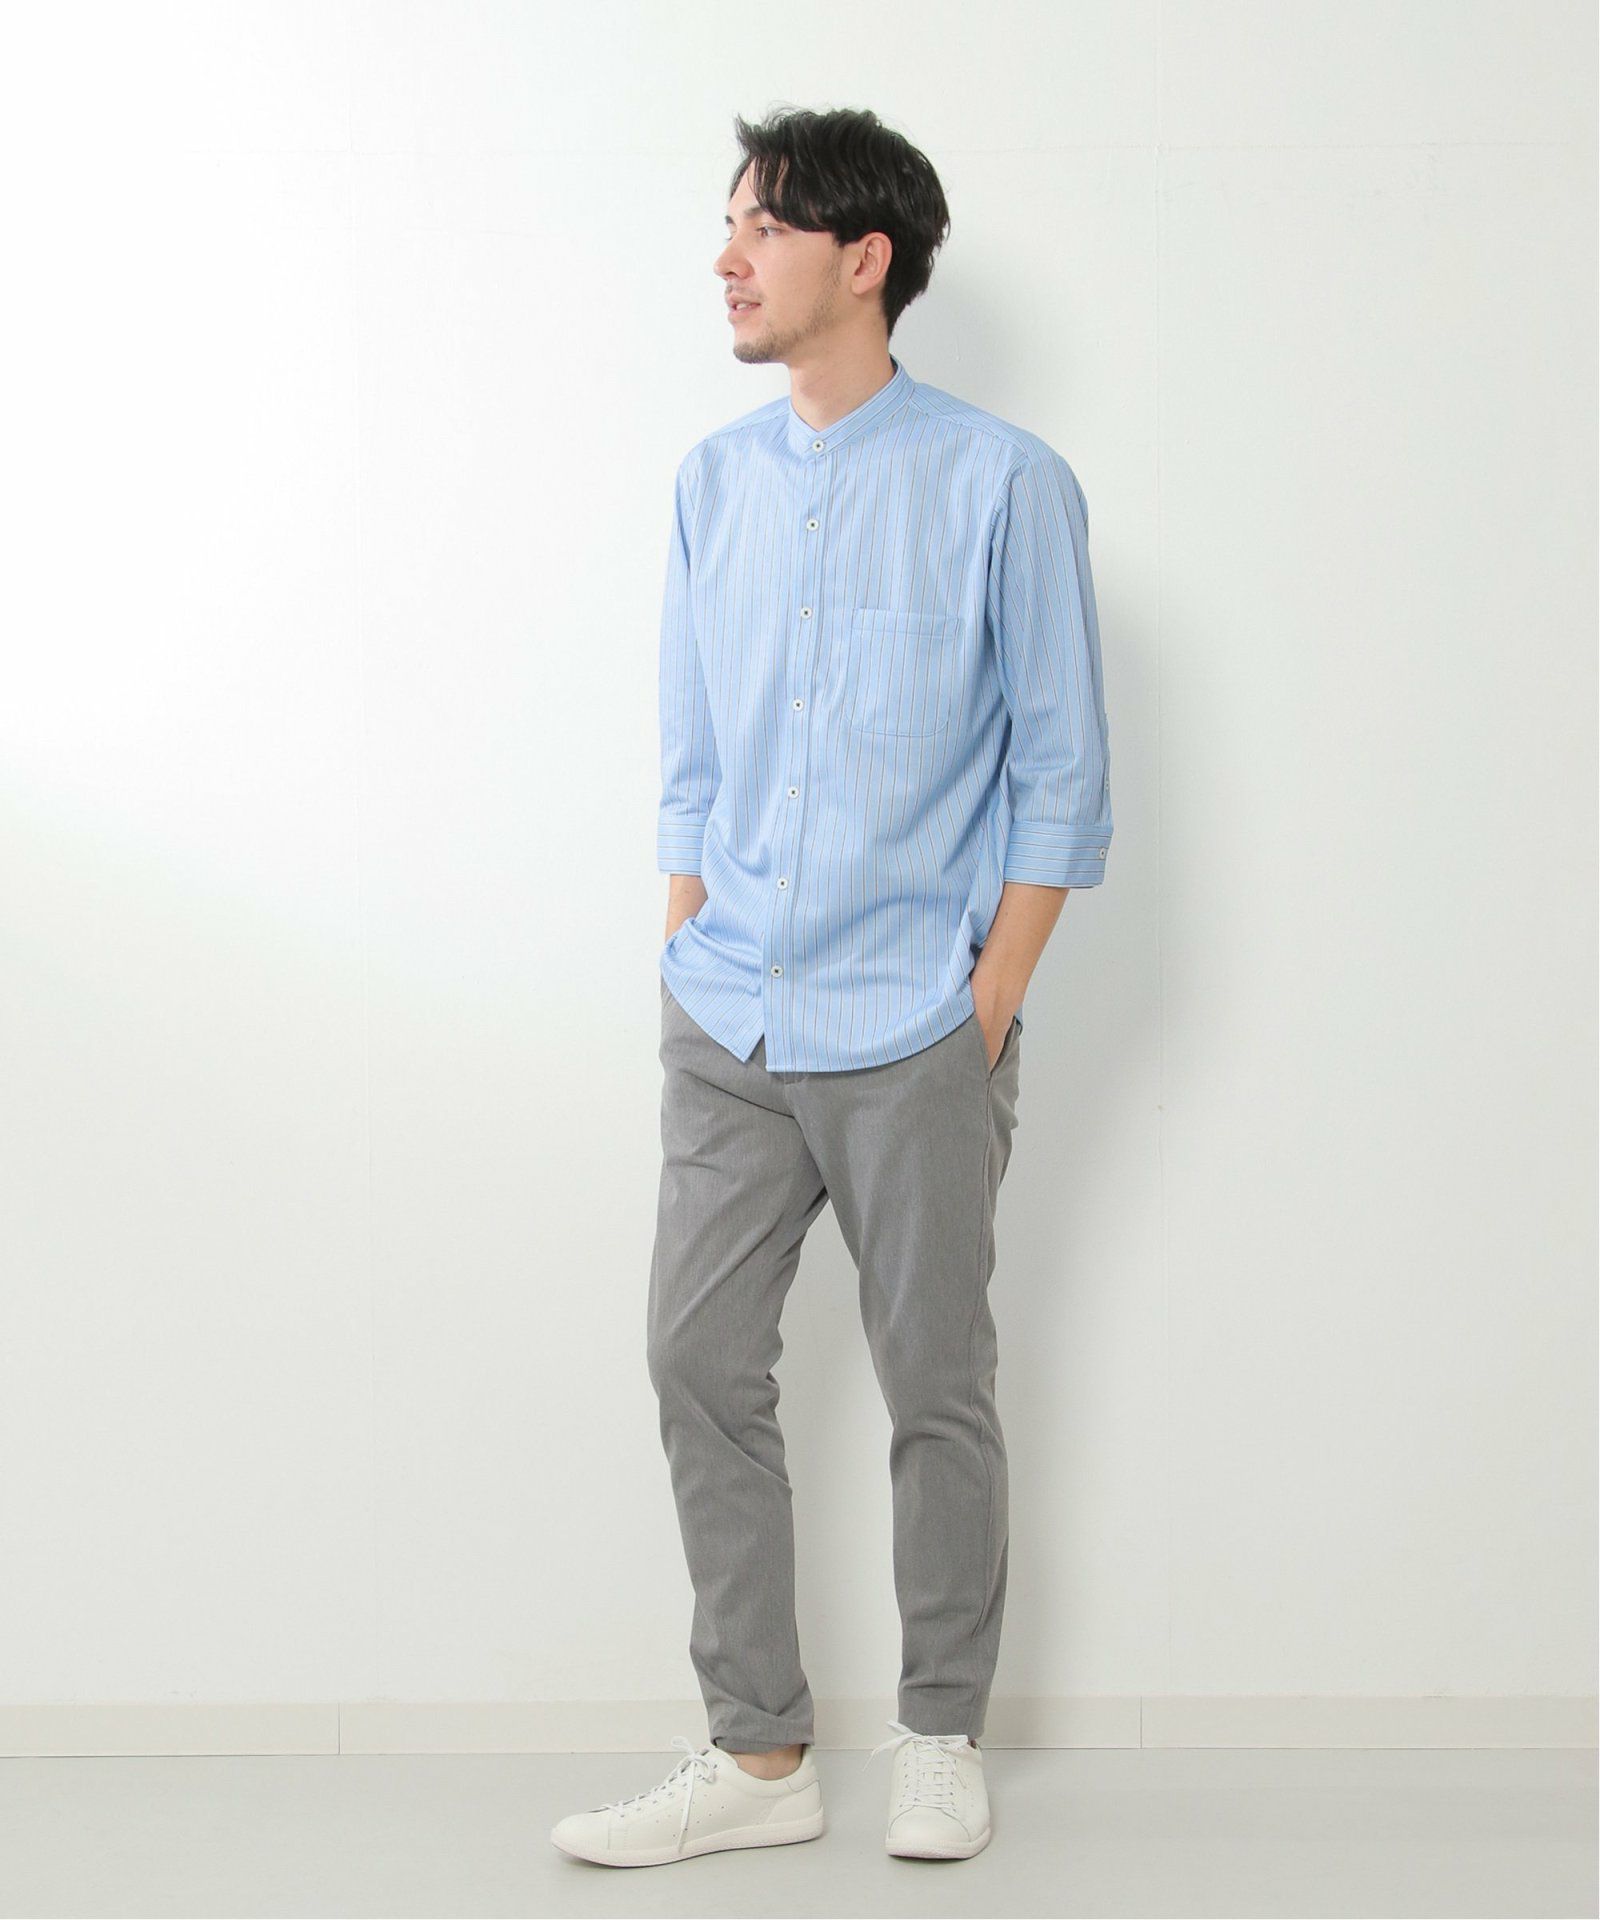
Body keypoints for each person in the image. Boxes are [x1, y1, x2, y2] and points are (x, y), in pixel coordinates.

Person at [551, 104, 1113, 1871]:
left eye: (765, 227)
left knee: (936, 1381)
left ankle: (939, 1731)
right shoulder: (711, 483)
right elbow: (691, 760)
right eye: (729, 222)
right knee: (694, 1360)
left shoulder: (1006, 484)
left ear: (864, 262)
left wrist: (983, 1005)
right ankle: (760, 1754)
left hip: (912, 1024)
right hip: (730, 1015)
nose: (728, 257)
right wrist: (684, 943)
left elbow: (1063, 778)